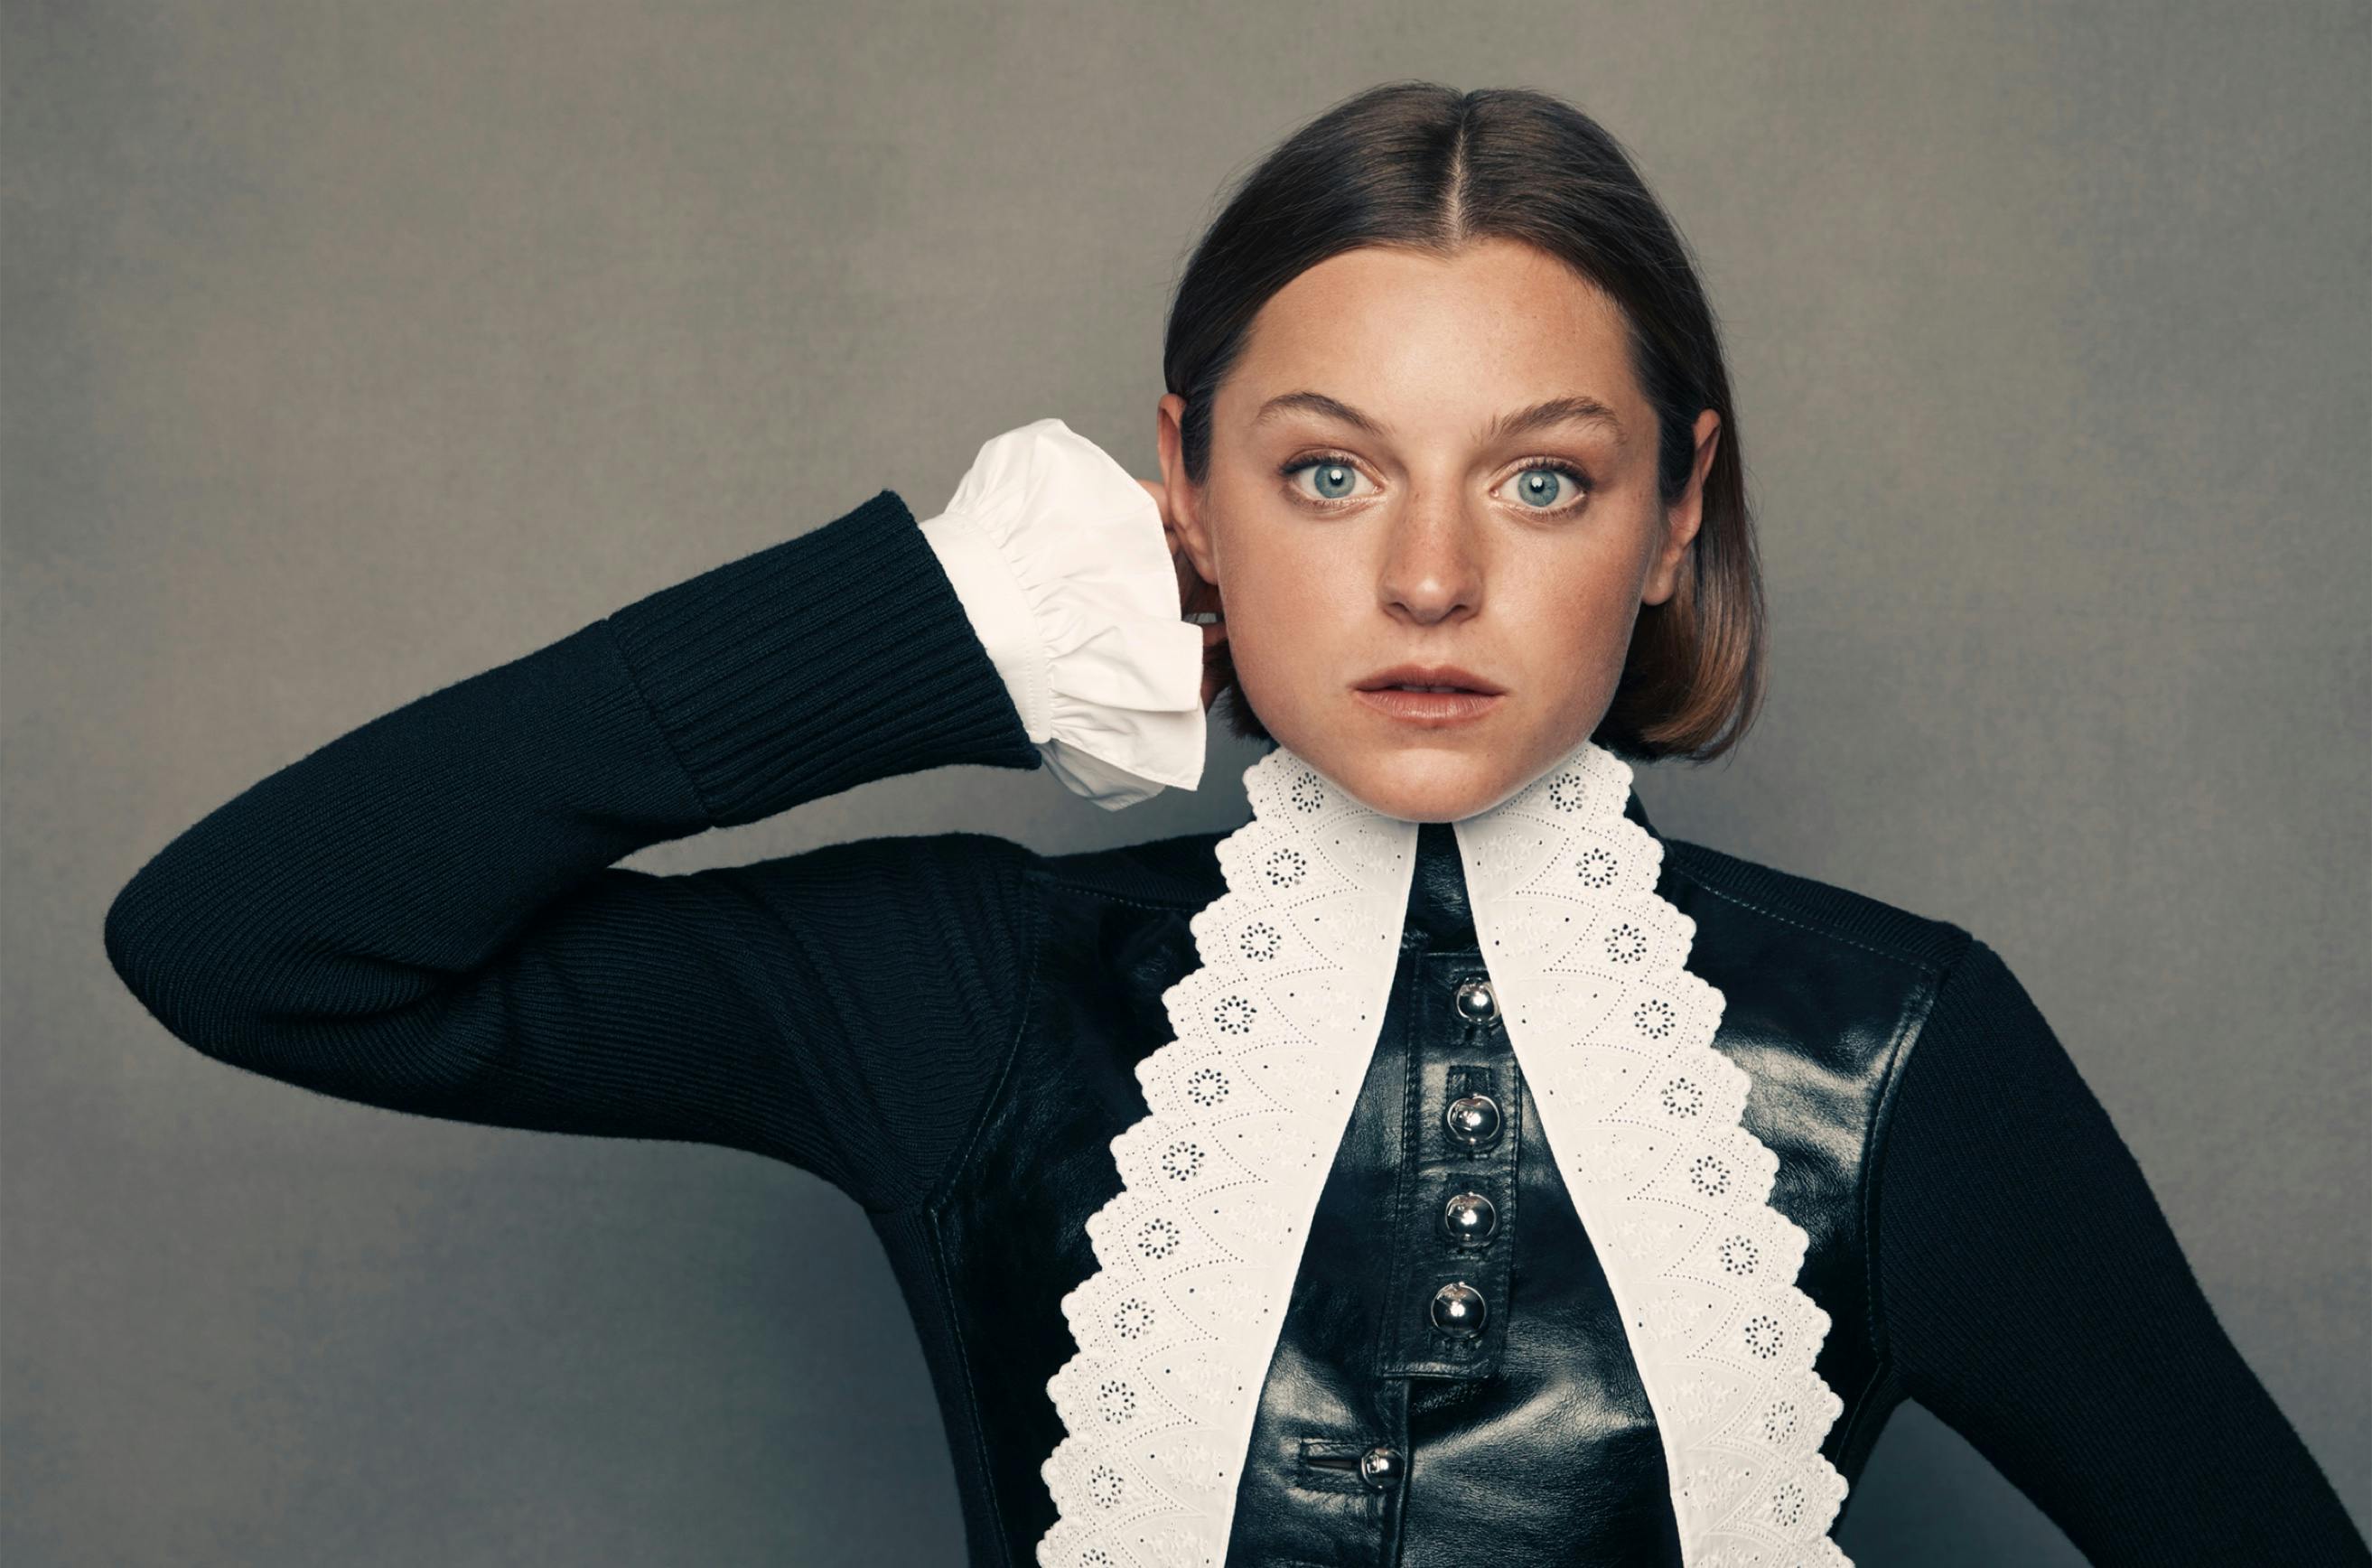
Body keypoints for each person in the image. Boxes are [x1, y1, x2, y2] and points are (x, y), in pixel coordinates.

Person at [101, 81, 2367, 1568]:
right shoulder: (972, 999)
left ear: (1675, 513)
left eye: (1543, 476)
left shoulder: (1891, 1051)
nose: (1426, 578)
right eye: (1325, 469)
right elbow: (251, 941)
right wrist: (916, 627)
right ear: (1182, 483)